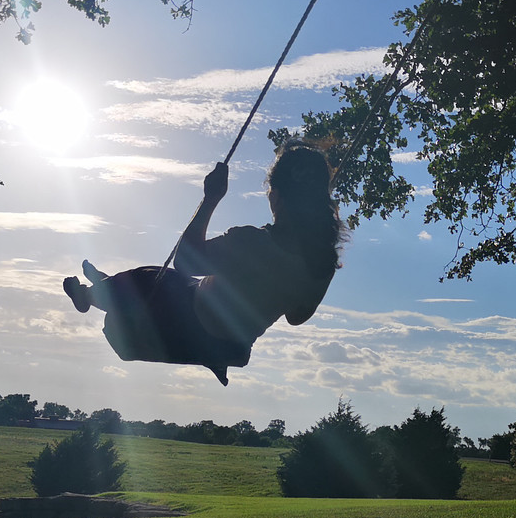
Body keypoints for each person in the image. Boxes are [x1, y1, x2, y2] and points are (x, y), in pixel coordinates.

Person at [63, 140, 345, 386]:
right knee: (158, 283)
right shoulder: (322, 266)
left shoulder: (253, 243)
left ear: (279, 197)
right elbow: (297, 317)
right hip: (230, 346)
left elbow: (186, 259)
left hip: (188, 320)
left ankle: (90, 294)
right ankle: (103, 283)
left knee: (148, 280)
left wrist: (210, 198)